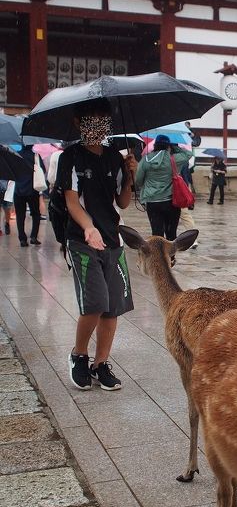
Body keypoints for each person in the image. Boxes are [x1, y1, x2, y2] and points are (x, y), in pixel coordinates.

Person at [57, 102, 137, 390]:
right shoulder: (70, 157)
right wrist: (88, 228)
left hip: (112, 240)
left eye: (103, 119)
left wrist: (130, 176)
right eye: (92, 119)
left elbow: (123, 202)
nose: (98, 124)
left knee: (112, 308)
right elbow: (71, 202)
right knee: (96, 302)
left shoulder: (115, 156)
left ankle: (100, 363)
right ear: (78, 122)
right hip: (82, 240)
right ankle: (79, 354)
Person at [135, 135, 192, 240]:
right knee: (171, 234)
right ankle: (171, 251)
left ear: (155, 145)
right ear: (168, 145)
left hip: (152, 202)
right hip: (171, 202)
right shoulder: (173, 159)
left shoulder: (146, 159)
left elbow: (138, 180)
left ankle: (158, 250)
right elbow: (188, 154)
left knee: (157, 235)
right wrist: (174, 146)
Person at [13, 145, 46, 246]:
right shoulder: (36, 156)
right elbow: (43, 170)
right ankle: (33, 237)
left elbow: (12, 170)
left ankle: (22, 239)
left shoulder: (16, 155)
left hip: (18, 190)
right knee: (36, 214)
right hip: (32, 190)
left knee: (20, 216)